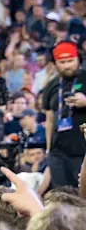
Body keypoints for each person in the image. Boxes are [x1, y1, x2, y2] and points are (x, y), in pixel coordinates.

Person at [41, 40, 86, 187]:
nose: (67, 65)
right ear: (55, 64)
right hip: (57, 152)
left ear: (78, 59)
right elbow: (49, 119)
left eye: (70, 60)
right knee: (63, 197)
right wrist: (49, 149)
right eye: (62, 62)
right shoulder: (51, 85)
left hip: (83, 150)